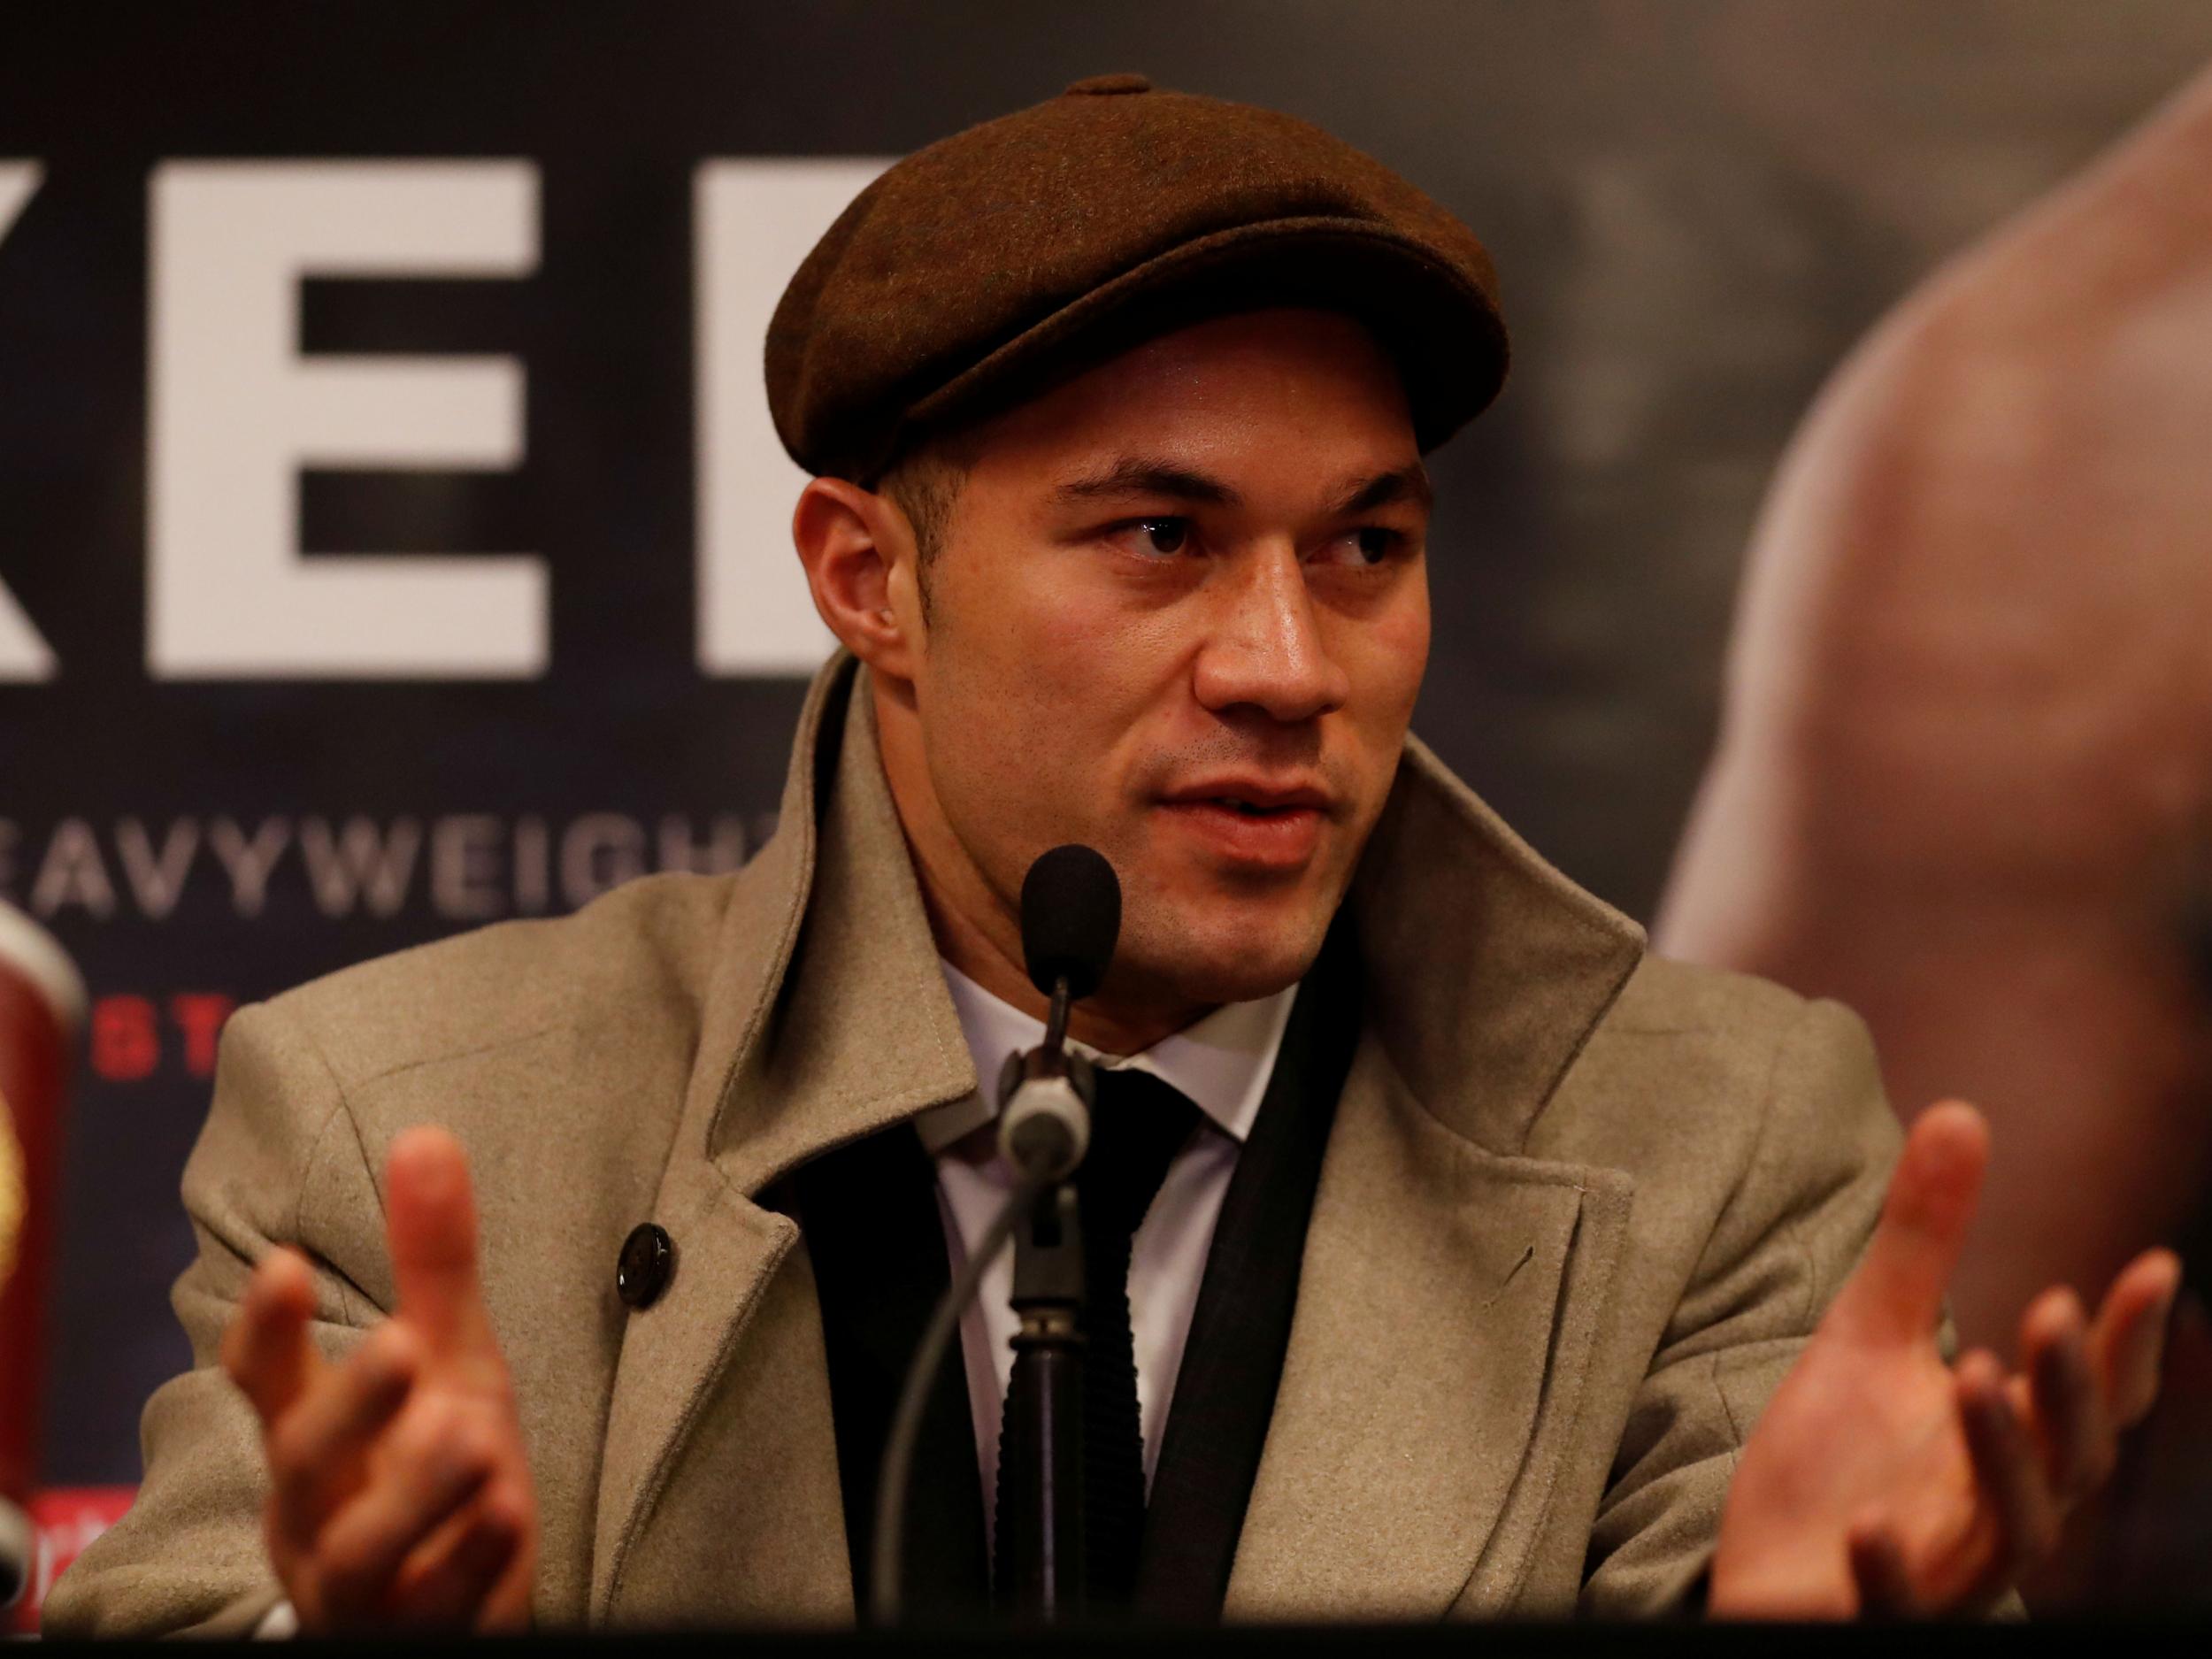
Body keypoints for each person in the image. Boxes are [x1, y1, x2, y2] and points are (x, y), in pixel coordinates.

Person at [48, 76, 2177, 1636]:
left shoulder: (1717, 1135)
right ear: (868, 577)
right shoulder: (412, 1118)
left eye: (1365, 546)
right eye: (1159, 536)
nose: (1284, 664)